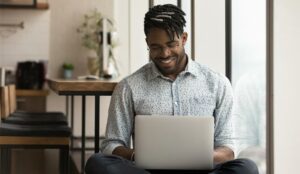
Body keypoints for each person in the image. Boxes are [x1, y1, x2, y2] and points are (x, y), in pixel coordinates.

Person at [85, 4, 258, 174]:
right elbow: (111, 144)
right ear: (147, 42)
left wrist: (200, 157)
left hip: (202, 170)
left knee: (246, 168)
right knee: (97, 163)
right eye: (156, 47)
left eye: (171, 44)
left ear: (183, 38)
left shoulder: (217, 83)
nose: (165, 53)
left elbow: (228, 149)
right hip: (148, 171)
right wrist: (137, 155)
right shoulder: (129, 87)